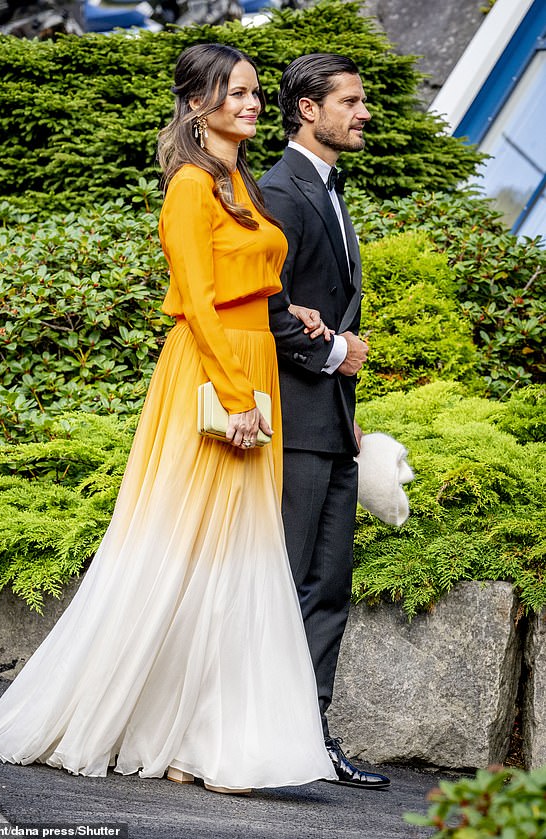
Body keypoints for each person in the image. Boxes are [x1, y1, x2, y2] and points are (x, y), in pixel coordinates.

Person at [0, 43, 337, 795]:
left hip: (251, 360)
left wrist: (286, 308)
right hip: (211, 373)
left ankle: (192, 735)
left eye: (255, 92)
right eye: (236, 92)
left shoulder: (237, 181)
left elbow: (246, 278)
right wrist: (235, 397)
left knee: (229, 562)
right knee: (185, 554)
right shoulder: (192, 185)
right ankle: (162, 728)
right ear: (198, 102)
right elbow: (197, 300)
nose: (252, 103)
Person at [259, 53, 391, 789]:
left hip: (330, 425)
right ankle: (258, 734)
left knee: (327, 586)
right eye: (351, 99)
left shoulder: (327, 191)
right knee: (285, 586)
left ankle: (309, 736)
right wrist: (338, 350)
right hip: (291, 424)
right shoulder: (280, 191)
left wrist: (351, 414)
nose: (363, 111)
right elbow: (265, 309)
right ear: (309, 109)